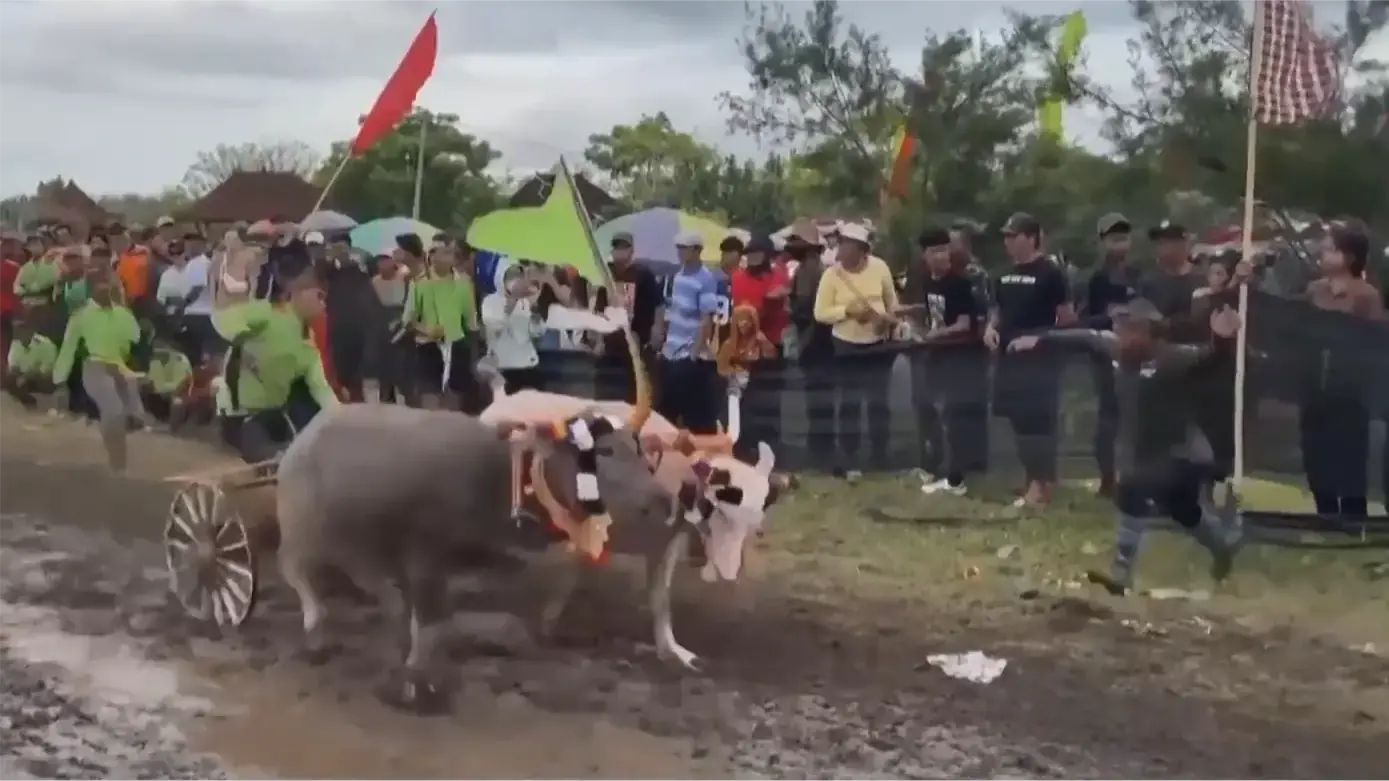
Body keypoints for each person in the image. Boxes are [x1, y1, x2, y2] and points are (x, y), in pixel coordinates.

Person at [1007, 300, 1245, 594]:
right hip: (1141, 451)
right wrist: (1041, 338)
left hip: (1180, 453)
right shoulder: (1116, 349)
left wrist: (1222, 338)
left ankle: (1125, 575)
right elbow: (1083, 336)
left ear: (1150, 333)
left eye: (1130, 328)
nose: (1121, 334)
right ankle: (1218, 548)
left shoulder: (1172, 357)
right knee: (1176, 509)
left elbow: (1212, 358)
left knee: (1141, 496)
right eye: (1120, 327)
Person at [984, 213, 1074, 508]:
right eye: (1006, 236)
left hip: (1040, 361)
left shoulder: (1051, 273)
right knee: (1017, 420)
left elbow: (1067, 319)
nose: (1008, 241)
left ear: (1032, 237)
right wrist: (990, 329)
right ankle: (1034, 478)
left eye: (1014, 235)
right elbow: (997, 309)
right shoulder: (1002, 273)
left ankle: (1040, 483)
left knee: (1038, 422)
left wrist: (1040, 337)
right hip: (1009, 359)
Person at [217, 268, 340, 462]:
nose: (323, 304)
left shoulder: (308, 342)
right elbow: (224, 319)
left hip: (274, 413)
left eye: (325, 300)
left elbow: (320, 387)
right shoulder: (269, 312)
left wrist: (340, 416)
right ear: (298, 292)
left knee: (297, 453)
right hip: (241, 414)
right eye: (319, 296)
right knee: (266, 454)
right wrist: (243, 342)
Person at [1300, 227, 1382, 517]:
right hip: (1314, 388)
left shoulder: (1366, 295)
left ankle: (1353, 517)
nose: (1322, 254)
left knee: (1349, 455)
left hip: (1350, 392)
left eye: (1330, 248)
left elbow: (1373, 343)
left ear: (1349, 257)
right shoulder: (1314, 290)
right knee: (1315, 454)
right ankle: (1325, 514)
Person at [812, 222, 898, 478]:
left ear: (861, 250)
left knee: (878, 403)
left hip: (878, 345)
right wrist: (846, 311)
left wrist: (888, 320)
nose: (840, 250)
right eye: (840, 244)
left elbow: (892, 302)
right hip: (846, 346)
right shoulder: (832, 275)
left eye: (846, 245)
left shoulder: (880, 267)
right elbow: (820, 313)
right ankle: (850, 457)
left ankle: (880, 455)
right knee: (850, 403)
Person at [907, 228, 986, 495]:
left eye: (944, 250)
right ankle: (940, 469)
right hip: (936, 356)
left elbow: (964, 324)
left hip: (959, 357)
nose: (940, 256)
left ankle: (956, 479)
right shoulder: (928, 282)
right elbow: (934, 314)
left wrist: (935, 335)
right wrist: (908, 316)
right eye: (934, 251)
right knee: (935, 415)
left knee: (954, 418)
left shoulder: (959, 284)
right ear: (924, 255)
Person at [52, 275, 153, 471]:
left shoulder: (123, 314)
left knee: (135, 417)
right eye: (102, 289)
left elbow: (135, 338)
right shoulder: (81, 316)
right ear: (92, 292)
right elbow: (68, 348)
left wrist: (123, 309)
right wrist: (60, 378)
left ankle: (118, 449)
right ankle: (116, 461)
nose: (107, 293)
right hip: (95, 366)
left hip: (120, 368)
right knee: (113, 409)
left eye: (110, 289)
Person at [1081, 213, 1138, 497]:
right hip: (1105, 355)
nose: (1119, 244)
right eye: (1114, 239)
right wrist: (1111, 318)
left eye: (1123, 238)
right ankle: (1107, 478)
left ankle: (1134, 476)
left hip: (1136, 354)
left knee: (1136, 416)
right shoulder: (1097, 278)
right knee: (1109, 415)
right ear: (1102, 242)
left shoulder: (1137, 274)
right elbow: (1085, 319)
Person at [728, 233, 789, 459]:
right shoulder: (738, 277)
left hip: (773, 343)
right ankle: (745, 445)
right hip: (747, 345)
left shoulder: (778, 273)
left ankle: (771, 445)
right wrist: (767, 301)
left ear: (767, 255)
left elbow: (780, 293)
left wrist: (771, 300)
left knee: (772, 397)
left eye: (757, 253)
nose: (753, 257)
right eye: (750, 253)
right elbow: (746, 312)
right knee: (746, 396)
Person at [656, 231, 721, 433]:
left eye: (684, 248)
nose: (680, 252)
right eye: (679, 247)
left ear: (696, 250)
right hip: (671, 352)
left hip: (688, 354)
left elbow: (706, 318)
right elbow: (672, 311)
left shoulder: (706, 279)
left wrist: (695, 352)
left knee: (695, 416)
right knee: (666, 413)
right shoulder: (677, 276)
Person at [402, 239, 478, 410]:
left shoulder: (464, 282)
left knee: (454, 396)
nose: (450, 256)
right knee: (430, 396)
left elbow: (471, 321)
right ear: (432, 257)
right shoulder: (419, 282)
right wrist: (426, 330)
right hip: (429, 346)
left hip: (456, 344)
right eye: (444, 252)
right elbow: (408, 320)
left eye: (451, 253)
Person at [786, 220, 836, 470]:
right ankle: (822, 447)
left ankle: (819, 450)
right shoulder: (818, 267)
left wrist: (789, 308)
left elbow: (804, 308)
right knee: (823, 398)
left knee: (817, 399)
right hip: (823, 338)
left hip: (813, 339)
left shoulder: (808, 270)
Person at [593, 231, 663, 403]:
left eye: (624, 247)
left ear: (631, 250)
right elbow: (600, 308)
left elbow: (659, 304)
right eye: (617, 247)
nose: (620, 251)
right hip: (611, 341)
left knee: (636, 390)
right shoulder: (606, 274)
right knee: (607, 390)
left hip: (637, 341)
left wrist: (657, 329)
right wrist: (599, 340)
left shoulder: (643, 274)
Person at [317, 232, 374, 403]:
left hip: (356, 329)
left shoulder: (359, 271)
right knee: (337, 373)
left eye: (341, 247)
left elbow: (367, 294)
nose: (338, 251)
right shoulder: (329, 272)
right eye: (335, 247)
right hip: (335, 327)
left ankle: (357, 405)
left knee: (355, 377)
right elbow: (320, 279)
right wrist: (329, 258)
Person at [481, 260, 545, 393]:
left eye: (519, 276)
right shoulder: (489, 302)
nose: (517, 280)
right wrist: (510, 305)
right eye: (512, 275)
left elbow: (537, 333)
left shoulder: (525, 302)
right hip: (504, 367)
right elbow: (495, 328)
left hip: (528, 365)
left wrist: (535, 314)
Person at [155, 236, 213, 365]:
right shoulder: (166, 274)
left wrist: (183, 304)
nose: (177, 257)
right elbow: (161, 298)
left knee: (199, 355)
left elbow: (197, 291)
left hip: (194, 315)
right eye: (173, 254)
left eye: (179, 253)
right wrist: (172, 302)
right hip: (173, 319)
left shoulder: (195, 267)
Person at [371, 248, 417, 405]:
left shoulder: (405, 278)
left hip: (402, 321)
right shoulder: (374, 282)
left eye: (386, 262)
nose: (383, 266)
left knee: (404, 363)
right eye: (380, 263)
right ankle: (386, 397)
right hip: (382, 323)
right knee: (385, 364)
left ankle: (410, 396)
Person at [5, 313, 57, 409]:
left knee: (42, 380)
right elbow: (13, 364)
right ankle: (28, 402)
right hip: (23, 377)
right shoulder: (16, 344)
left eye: (22, 328)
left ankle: (31, 403)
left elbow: (47, 369)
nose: (18, 331)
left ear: (31, 330)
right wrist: (17, 372)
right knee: (9, 378)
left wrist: (27, 376)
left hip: (41, 378)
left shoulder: (46, 345)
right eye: (16, 328)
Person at [141, 338, 194, 426]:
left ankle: (172, 425)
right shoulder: (154, 361)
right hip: (159, 394)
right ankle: (152, 421)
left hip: (177, 393)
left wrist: (163, 390)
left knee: (176, 398)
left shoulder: (179, 359)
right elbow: (150, 379)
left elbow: (182, 382)